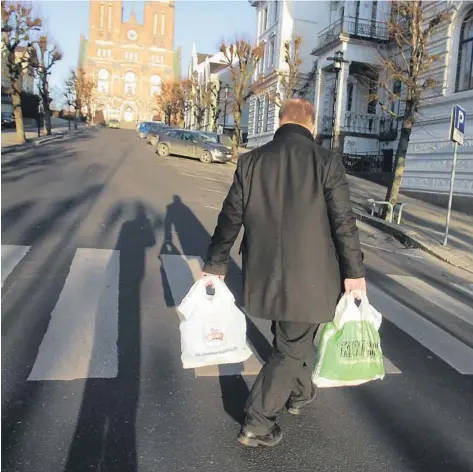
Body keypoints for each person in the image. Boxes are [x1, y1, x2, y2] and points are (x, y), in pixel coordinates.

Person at [201, 98, 366, 448]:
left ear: (279, 123)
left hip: (263, 270)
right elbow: (343, 223)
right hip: (311, 275)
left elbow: (230, 217)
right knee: (291, 346)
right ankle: (258, 421)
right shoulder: (326, 161)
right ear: (311, 124)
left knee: (290, 339)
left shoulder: (251, 161)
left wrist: (216, 265)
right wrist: (354, 272)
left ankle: (301, 391)